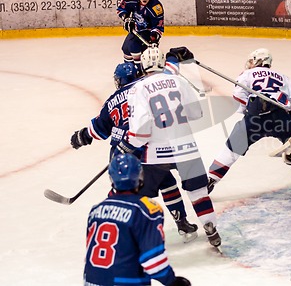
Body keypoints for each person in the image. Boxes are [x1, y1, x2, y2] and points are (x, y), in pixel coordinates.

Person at [71, 61, 198, 243]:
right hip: (147, 145)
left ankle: (118, 226)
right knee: (165, 180)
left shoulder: (112, 100)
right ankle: (181, 222)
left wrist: (80, 137)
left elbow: (98, 130)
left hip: (121, 151)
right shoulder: (146, 88)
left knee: (125, 190)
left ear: (119, 80)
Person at [115, 46, 221, 248]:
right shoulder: (179, 81)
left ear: (143, 66)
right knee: (198, 191)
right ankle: (210, 226)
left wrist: (127, 145)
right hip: (187, 148)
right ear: (162, 63)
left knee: (141, 195)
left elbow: (141, 131)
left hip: (156, 154)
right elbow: (196, 113)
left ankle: (138, 238)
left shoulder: (138, 89)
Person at [207, 48, 291, 193]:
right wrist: (286, 119)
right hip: (282, 118)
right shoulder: (285, 78)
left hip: (255, 118)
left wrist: (248, 111)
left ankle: (210, 180)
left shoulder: (246, 74)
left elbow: (238, 97)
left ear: (257, 60)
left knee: (231, 149)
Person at [84, 153, 191, 286]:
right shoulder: (146, 210)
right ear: (140, 176)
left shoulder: (96, 210)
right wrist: (172, 281)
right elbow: (152, 260)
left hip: (91, 281)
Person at [70, 62, 140, 160]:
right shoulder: (146, 87)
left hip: (122, 147)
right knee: (155, 172)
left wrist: (82, 135)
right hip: (149, 141)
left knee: (119, 171)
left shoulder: (112, 101)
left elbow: (98, 128)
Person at [117, 0, 164, 71]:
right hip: (136, 29)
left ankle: (140, 70)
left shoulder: (156, 7)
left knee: (133, 46)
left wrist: (154, 39)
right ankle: (130, 70)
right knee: (126, 48)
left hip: (148, 32)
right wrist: (126, 18)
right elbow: (121, 9)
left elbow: (158, 26)